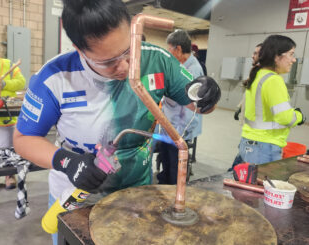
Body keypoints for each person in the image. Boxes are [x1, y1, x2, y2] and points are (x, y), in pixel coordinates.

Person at [12, 0, 220, 243]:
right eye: (108, 62)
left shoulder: (159, 60)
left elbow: (199, 104)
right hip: (77, 196)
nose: (125, 67)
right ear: (79, 50)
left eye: (129, 51)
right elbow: (23, 139)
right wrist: (66, 161)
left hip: (136, 194)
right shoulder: (55, 77)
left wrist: (208, 95)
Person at [231, 35, 305, 167]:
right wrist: (299, 116)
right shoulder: (273, 80)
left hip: (251, 142)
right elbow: (285, 118)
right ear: (277, 57)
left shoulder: (258, 75)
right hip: (265, 147)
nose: (293, 60)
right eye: (291, 54)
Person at [156, 29, 204, 184]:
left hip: (179, 127)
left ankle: (172, 188)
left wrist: (180, 133)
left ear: (178, 49)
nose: (168, 53)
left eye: (169, 49)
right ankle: (164, 179)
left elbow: (191, 105)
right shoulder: (179, 65)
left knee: (174, 161)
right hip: (169, 123)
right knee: (165, 156)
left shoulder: (193, 70)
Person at [0, 36, 26, 189]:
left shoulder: (8, 65)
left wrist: (5, 83)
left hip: (5, 113)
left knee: (5, 146)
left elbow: (21, 82)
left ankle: (9, 174)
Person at [234, 43, 263, 122]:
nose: (252, 56)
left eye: (255, 53)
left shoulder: (265, 75)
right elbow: (249, 94)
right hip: (248, 122)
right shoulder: (255, 71)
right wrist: (240, 108)